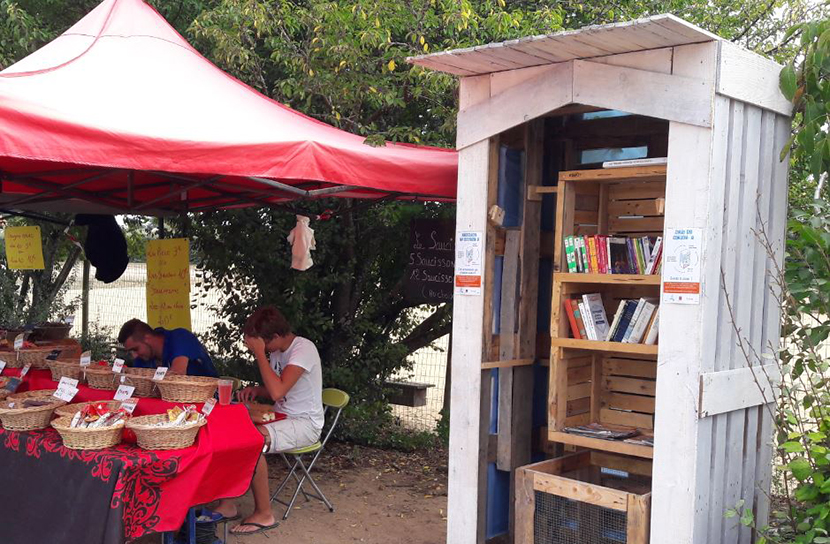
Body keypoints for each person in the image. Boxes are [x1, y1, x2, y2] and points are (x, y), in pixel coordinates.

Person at [214, 305, 323, 536]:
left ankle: (264, 513)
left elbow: (278, 393)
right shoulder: (276, 351)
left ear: (274, 336)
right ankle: (228, 504)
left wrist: (260, 354)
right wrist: (256, 390)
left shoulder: (303, 349)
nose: (264, 350)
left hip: (304, 424)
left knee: (252, 442)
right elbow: (278, 388)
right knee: (229, 433)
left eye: (264, 344)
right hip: (281, 418)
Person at [117, 318, 218, 377]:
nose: (134, 356)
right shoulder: (142, 358)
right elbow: (139, 383)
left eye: (135, 349)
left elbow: (177, 374)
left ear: (147, 338)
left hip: (208, 402)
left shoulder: (180, 337)